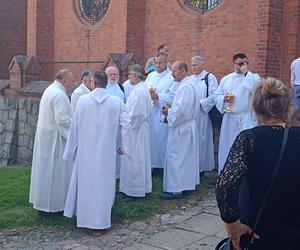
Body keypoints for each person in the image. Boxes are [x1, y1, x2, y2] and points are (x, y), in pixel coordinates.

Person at [216, 78, 300, 250]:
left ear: (255, 108)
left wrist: (233, 228)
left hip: (257, 233)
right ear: (288, 107)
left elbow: (226, 183)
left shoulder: (249, 139)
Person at [63, 70, 132, 229]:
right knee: (103, 185)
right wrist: (125, 147)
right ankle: (101, 221)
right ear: (107, 83)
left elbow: (74, 127)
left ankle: (86, 219)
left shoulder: (82, 101)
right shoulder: (116, 102)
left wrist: (70, 151)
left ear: (93, 83)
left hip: (86, 151)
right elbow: (127, 126)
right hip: (106, 152)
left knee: (87, 184)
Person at [29, 69, 73, 214]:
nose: (72, 85)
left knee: (45, 171)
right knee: (55, 172)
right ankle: (53, 207)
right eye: (71, 81)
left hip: (46, 136)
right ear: (64, 80)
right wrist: (74, 134)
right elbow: (62, 120)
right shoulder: (59, 94)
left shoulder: (50, 89)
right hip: (55, 139)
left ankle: (42, 205)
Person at [160, 61, 200, 200]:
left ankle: (176, 189)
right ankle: (185, 185)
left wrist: (168, 112)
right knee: (184, 158)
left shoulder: (185, 88)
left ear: (183, 71)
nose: (172, 74)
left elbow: (181, 111)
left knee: (176, 156)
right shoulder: (187, 86)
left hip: (181, 127)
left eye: (175, 71)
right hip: (186, 127)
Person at [215, 53, 260, 172]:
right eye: (240, 63)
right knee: (228, 145)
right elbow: (217, 96)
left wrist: (246, 73)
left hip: (246, 117)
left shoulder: (253, 77)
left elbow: (255, 91)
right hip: (230, 118)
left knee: (246, 147)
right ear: (234, 64)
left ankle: (246, 173)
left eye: (245, 63)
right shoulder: (226, 79)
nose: (242, 65)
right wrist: (223, 99)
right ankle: (226, 172)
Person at [119, 64, 153, 202]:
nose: (128, 77)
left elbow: (137, 114)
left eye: (130, 75)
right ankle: (133, 188)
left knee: (135, 159)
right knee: (134, 158)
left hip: (135, 129)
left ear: (136, 75)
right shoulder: (140, 89)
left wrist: (126, 122)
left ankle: (135, 191)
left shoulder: (139, 91)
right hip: (137, 128)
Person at [145, 53, 176, 170]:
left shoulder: (171, 77)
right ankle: (151, 165)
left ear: (166, 62)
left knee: (162, 140)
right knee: (150, 140)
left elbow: (173, 95)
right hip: (150, 113)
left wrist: (158, 96)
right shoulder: (151, 76)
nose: (157, 65)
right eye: (156, 63)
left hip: (162, 114)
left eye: (160, 63)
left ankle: (162, 167)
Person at [189, 55, 218, 173]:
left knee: (201, 139)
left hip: (202, 114)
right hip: (190, 114)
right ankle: (191, 166)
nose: (193, 67)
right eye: (192, 65)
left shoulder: (209, 77)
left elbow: (214, 95)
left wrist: (200, 104)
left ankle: (201, 168)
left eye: (195, 65)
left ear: (202, 65)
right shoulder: (189, 79)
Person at [105, 66, 125, 178]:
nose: (113, 76)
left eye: (115, 74)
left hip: (119, 124)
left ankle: (117, 174)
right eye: (111, 74)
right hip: (107, 123)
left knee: (118, 147)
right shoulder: (104, 87)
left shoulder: (121, 87)